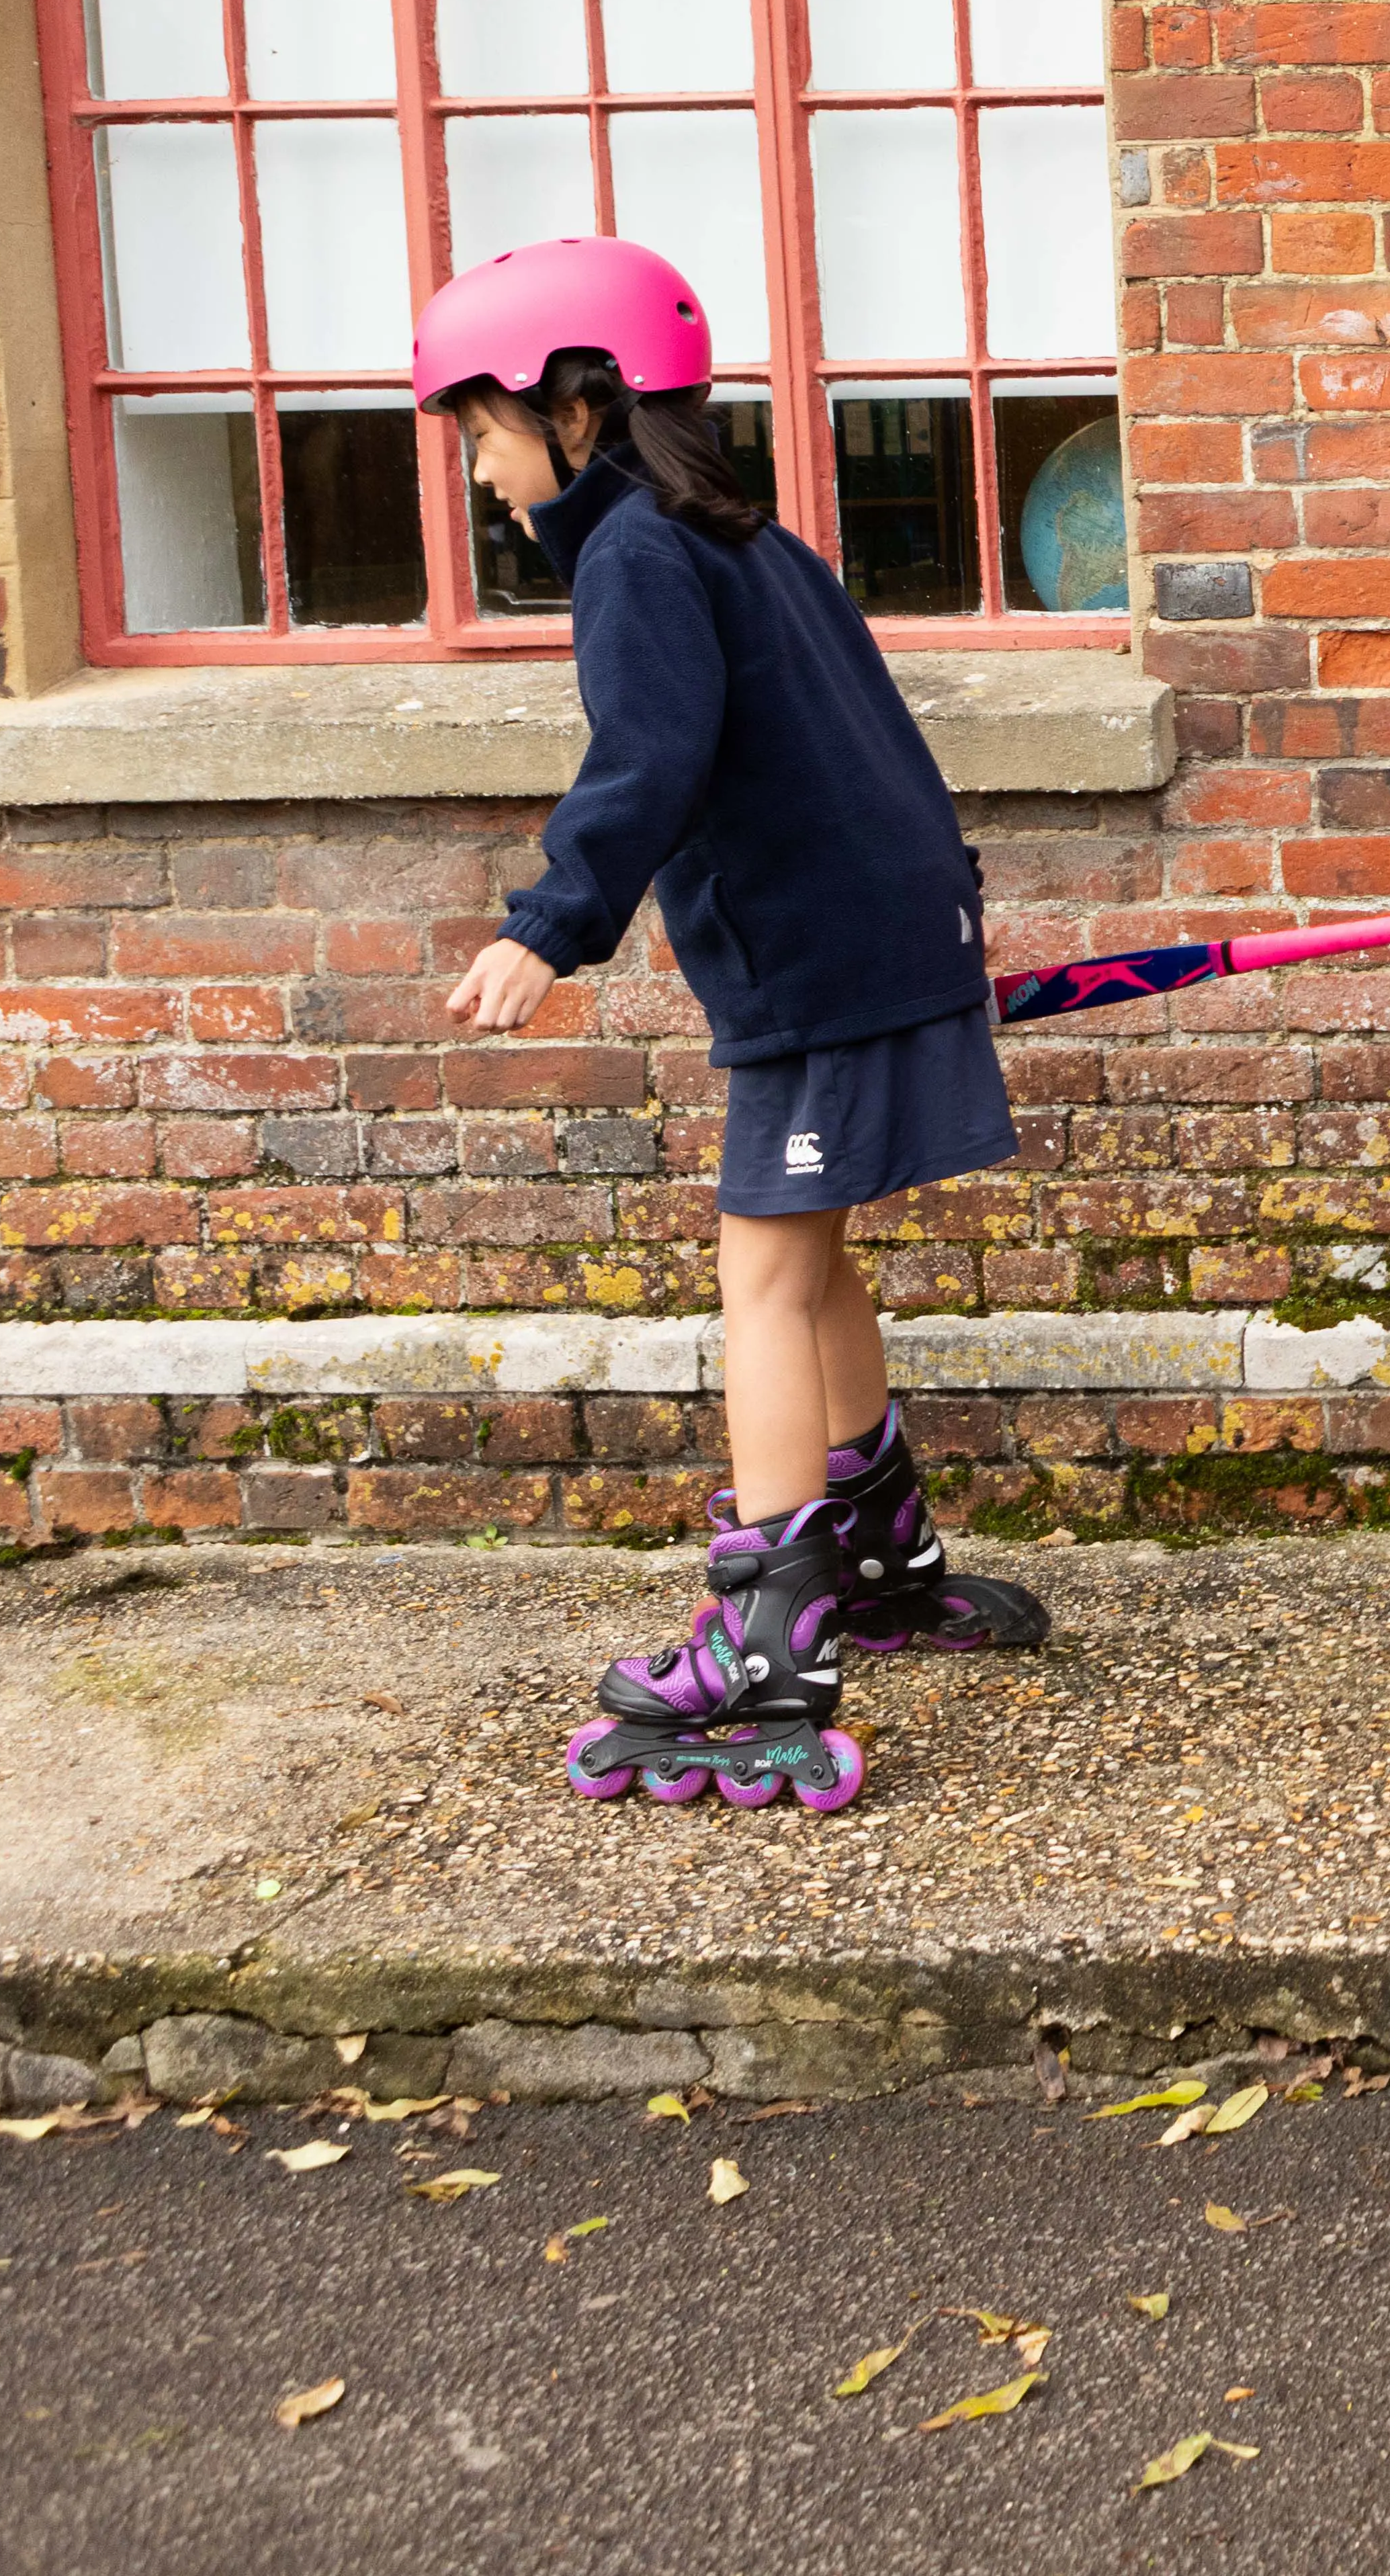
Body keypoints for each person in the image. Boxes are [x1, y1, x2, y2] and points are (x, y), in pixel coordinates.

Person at [425, 237, 1039, 1816]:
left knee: (759, 1271)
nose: (483, 479)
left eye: (481, 435)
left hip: (819, 964)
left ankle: (766, 1645)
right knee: (809, 1256)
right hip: (876, 936)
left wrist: (547, 926)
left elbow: (650, 761)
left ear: (574, 409)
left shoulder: (640, 555)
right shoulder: (750, 537)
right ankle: (880, 1554)